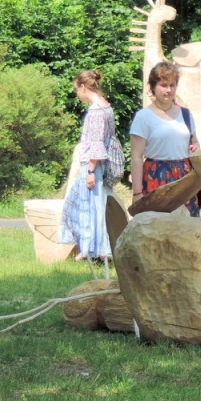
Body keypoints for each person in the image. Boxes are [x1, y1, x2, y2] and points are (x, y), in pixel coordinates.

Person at [59, 70, 115, 269]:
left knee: (85, 207)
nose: (77, 94)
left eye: (77, 89)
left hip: (93, 166)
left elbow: (97, 143)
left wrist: (90, 171)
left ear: (83, 87)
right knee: (94, 206)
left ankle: (95, 250)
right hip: (100, 166)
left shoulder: (97, 111)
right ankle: (91, 249)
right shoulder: (105, 107)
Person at [130, 61, 201, 216]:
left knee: (187, 229)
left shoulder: (186, 115)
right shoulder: (143, 117)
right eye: (163, 85)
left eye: (172, 85)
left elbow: (195, 141)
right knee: (157, 232)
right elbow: (136, 157)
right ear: (153, 87)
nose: (168, 90)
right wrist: (137, 194)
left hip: (184, 179)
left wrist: (195, 146)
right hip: (155, 178)